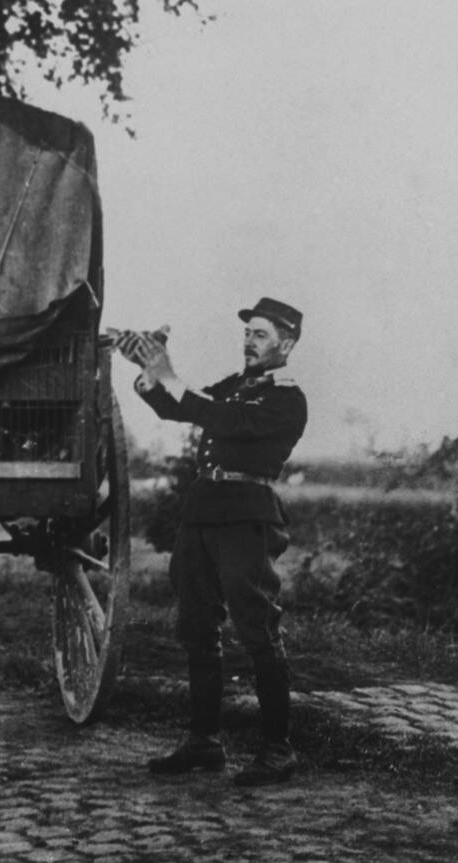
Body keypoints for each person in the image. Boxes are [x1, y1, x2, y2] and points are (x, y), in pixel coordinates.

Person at [117, 297, 308, 786]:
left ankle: (277, 748)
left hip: (247, 518)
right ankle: (204, 741)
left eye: (261, 335)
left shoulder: (287, 397)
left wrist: (170, 370)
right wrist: (148, 370)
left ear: (286, 344)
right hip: (202, 513)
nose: (249, 341)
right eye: (248, 333)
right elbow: (179, 406)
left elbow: (221, 420)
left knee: (257, 630)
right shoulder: (235, 386)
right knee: (197, 627)